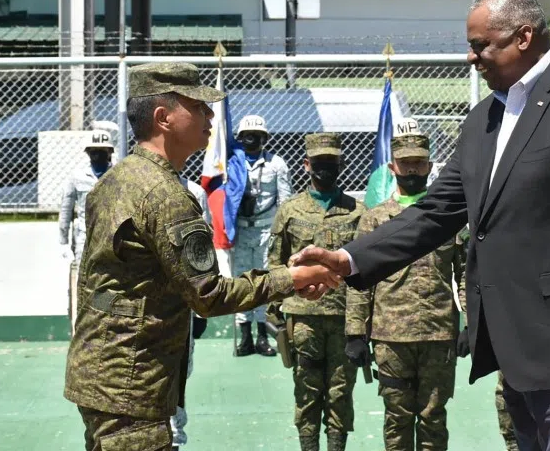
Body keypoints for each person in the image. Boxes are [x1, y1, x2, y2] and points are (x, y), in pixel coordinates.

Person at [292, 0, 550, 451]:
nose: (472, 58)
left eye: (480, 45)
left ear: (524, 37)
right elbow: (433, 211)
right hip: (515, 350)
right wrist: (346, 260)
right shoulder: (484, 119)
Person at [63, 62, 340, 451]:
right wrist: (291, 279)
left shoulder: (116, 179)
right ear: (163, 118)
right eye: (197, 106)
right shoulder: (165, 195)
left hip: (100, 370)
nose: (210, 115)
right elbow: (208, 295)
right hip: (133, 381)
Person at [346, 129, 465, 451]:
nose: (412, 169)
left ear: (429, 167)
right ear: (392, 167)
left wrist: (471, 322)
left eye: (419, 163)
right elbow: (359, 277)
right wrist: (355, 332)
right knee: (397, 418)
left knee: (434, 417)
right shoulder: (375, 219)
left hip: (438, 334)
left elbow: (467, 273)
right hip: (391, 336)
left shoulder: (449, 216)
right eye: (405, 163)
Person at [268, 132, 365, 451]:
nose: (325, 169)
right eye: (320, 163)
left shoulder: (357, 211)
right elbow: (275, 262)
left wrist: (365, 324)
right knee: (307, 393)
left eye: (331, 163)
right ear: (307, 164)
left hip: (344, 318)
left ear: (342, 164)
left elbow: (368, 269)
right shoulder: (290, 210)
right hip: (303, 319)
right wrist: (274, 313)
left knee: (340, 394)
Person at [232, 114, 293, 357]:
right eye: (247, 136)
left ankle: (261, 337)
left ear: (264, 138)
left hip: (267, 231)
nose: (251, 140)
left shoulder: (277, 164)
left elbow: (285, 200)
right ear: (240, 138)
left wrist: (282, 235)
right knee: (242, 282)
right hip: (241, 232)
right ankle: (244, 337)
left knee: (264, 283)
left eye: (256, 136)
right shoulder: (232, 164)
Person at [455, 226, 517, 451]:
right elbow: (468, 277)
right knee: (510, 399)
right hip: (505, 326)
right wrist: (470, 323)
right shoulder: (472, 228)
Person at [59, 129, 114, 334]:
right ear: (88, 153)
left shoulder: (118, 174)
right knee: (85, 282)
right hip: (84, 238)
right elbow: (66, 208)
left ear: (110, 153)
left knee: (109, 281)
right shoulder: (77, 177)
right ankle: (84, 329)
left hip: (111, 238)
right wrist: (63, 242)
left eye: (102, 151)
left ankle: (107, 327)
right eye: (93, 152)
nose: (97, 156)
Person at [170, 176, 211, 451]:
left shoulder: (194, 192)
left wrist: (201, 308)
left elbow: (202, 249)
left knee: (180, 376)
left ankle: (173, 440)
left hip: (182, 306)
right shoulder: (130, 184)